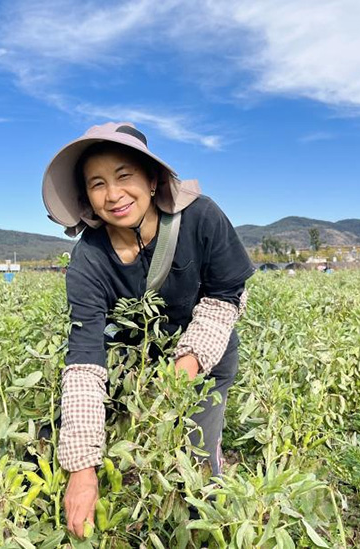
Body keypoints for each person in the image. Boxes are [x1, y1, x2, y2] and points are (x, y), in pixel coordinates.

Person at [42, 122, 255, 538]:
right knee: (115, 449)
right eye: (97, 183)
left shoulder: (201, 218)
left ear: (153, 180)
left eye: (124, 176)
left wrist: (185, 369)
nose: (113, 194)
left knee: (195, 465)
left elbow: (226, 296)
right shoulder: (88, 259)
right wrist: (81, 469)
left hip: (205, 361)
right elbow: (86, 360)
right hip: (132, 368)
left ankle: (202, 533)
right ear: (86, 197)